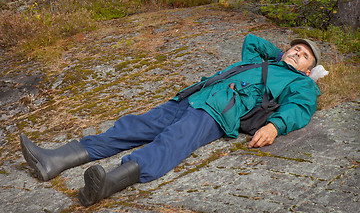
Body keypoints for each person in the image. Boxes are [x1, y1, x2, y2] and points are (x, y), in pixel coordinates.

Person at [20, 34, 321, 207]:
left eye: (305, 55)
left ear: (309, 70)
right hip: (192, 96)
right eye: (296, 47)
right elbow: (252, 40)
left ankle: (109, 183)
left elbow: (301, 108)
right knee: (132, 126)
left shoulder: (303, 83)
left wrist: (274, 126)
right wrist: (283, 54)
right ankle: (55, 160)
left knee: (173, 142)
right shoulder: (262, 60)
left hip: (218, 112)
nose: (298, 52)